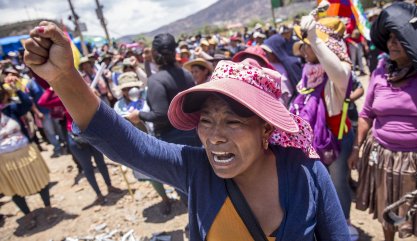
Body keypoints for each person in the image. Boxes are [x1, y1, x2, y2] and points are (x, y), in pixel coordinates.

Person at [24, 21, 350, 241]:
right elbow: (127, 144)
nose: (214, 135)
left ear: (266, 129)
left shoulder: (307, 174)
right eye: (206, 120)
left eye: (232, 121)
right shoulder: (196, 169)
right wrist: (64, 78)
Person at [348, 2, 417, 240]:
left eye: (400, 38)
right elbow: (366, 114)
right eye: (390, 37)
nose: (392, 43)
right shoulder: (380, 73)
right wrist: (356, 148)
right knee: (387, 210)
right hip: (382, 157)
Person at [293, 16, 358, 240]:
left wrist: (316, 39)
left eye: (308, 44)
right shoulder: (307, 73)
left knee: (338, 184)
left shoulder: (339, 72)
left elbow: (338, 73)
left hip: (336, 139)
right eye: (303, 44)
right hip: (314, 141)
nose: (303, 48)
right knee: (319, 184)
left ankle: (344, 225)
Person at [113, 72, 173, 215]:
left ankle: (181, 193)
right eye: (126, 89)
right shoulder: (118, 106)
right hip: (138, 144)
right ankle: (165, 199)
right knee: (152, 174)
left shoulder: (147, 97)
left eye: (133, 87)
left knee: (170, 168)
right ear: (122, 91)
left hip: (158, 138)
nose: (130, 91)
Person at [0, 85, 52, 230]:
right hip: (4, 160)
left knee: (40, 180)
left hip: (25, 152)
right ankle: (27, 215)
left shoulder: (11, 108)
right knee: (14, 189)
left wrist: (16, 89)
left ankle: (48, 206)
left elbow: (27, 104)